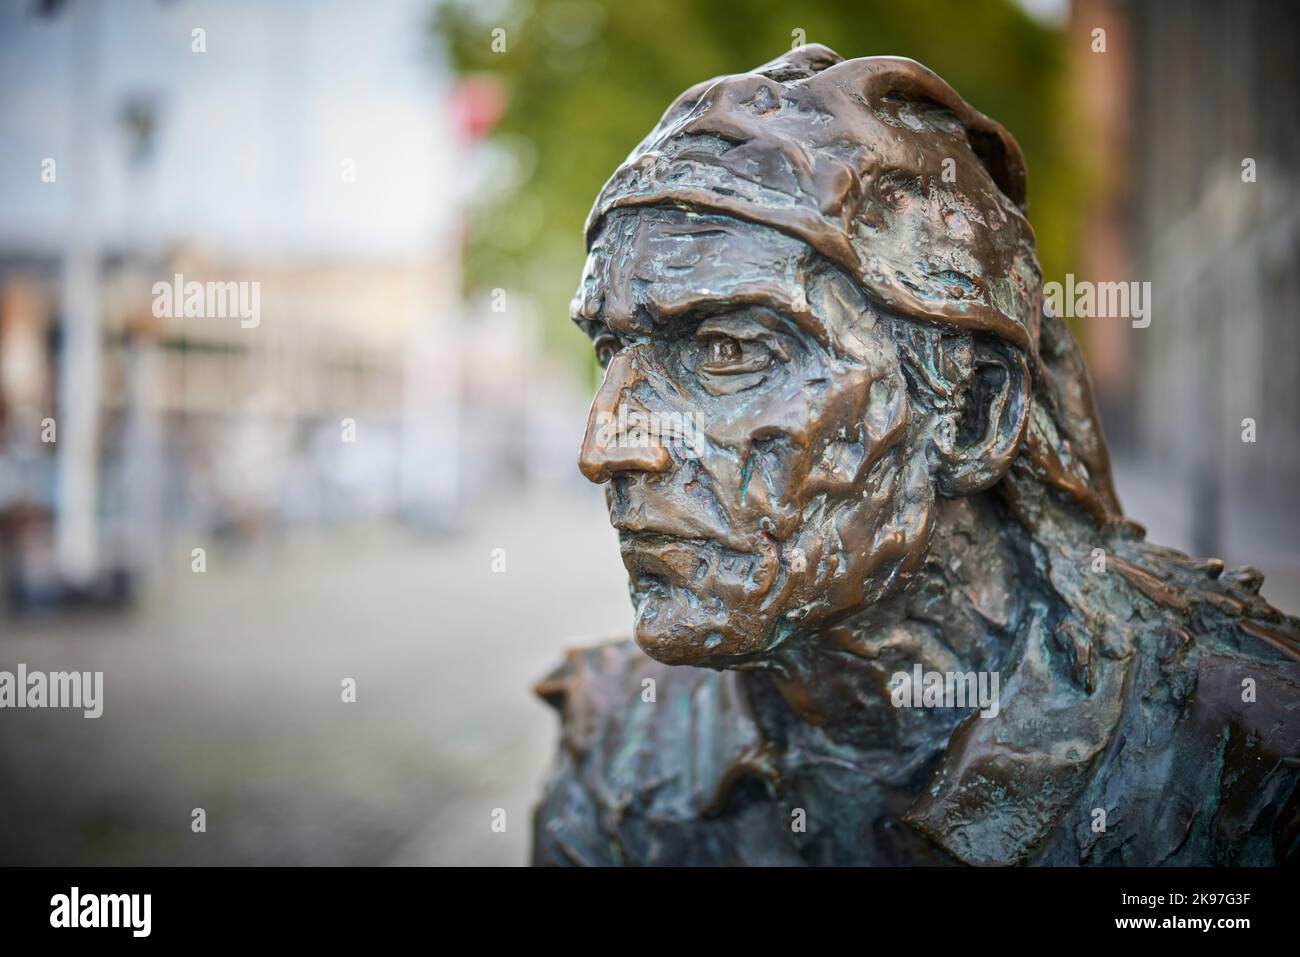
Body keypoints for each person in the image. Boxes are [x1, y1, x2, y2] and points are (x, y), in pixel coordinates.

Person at [533, 44, 1300, 866]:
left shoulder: (1249, 763)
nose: (607, 446)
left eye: (726, 350)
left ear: (973, 410)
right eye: (611, 351)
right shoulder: (616, 746)